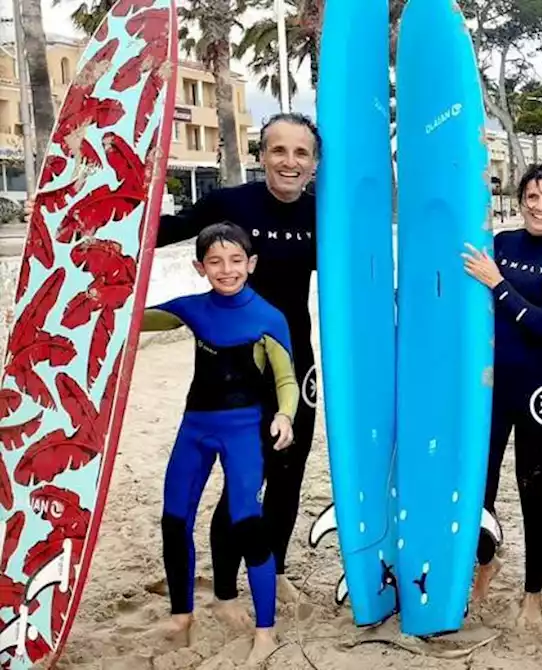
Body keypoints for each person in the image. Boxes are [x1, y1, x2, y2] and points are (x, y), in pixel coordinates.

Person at [151, 112, 320, 621]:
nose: (289, 162)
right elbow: (167, 231)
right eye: (278, 151)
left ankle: (280, 568)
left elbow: (364, 273)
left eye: (301, 153)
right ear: (260, 155)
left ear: (313, 163)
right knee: (243, 481)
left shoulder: (322, 215)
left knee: (289, 472)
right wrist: (100, 238)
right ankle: (226, 585)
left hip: (295, 361)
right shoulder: (230, 204)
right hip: (233, 373)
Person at [141, 222, 297, 663]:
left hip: (244, 429)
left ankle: (265, 631)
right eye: (214, 262)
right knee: (174, 518)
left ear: (251, 264)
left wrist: (285, 415)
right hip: (194, 427)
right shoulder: (192, 308)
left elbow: (285, 377)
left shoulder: (268, 316)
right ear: (199, 266)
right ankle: (181, 616)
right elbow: (135, 319)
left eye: (235, 261)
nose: (226, 270)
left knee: (248, 524)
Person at [462, 162, 542, 630]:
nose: (540, 206)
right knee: (481, 482)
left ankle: (533, 593)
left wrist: (497, 283)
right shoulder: (499, 245)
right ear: (520, 202)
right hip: (493, 384)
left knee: (534, 488)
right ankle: (484, 563)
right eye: (532, 197)